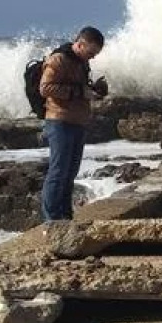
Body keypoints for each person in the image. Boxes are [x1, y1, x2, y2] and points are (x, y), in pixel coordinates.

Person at [38, 26, 109, 222]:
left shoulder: (81, 62)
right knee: (58, 171)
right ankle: (52, 219)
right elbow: (45, 88)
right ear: (79, 44)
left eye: (95, 54)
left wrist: (93, 90)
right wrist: (80, 92)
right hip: (59, 121)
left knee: (70, 172)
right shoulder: (58, 59)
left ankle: (64, 216)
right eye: (91, 52)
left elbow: (78, 87)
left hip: (77, 121)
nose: (92, 57)